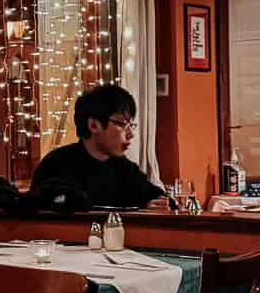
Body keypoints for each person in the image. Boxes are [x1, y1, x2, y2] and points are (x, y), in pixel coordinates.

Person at [30, 83, 165, 209]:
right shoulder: (56, 165)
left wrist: (157, 205)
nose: (130, 134)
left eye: (131, 125)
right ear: (94, 125)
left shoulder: (125, 169)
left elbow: (161, 199)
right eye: (122, 124)